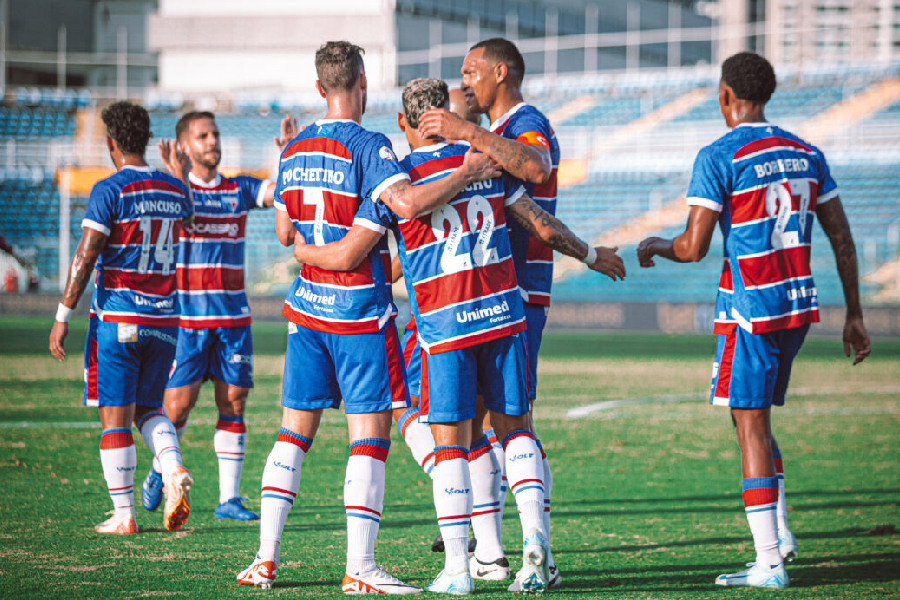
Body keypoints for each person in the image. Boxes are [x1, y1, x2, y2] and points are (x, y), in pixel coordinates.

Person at [292, 77, 624, 595]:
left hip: (444, 326)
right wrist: (591, 254)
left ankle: (457, 569)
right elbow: (543, 226)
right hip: (503, 316)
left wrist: (303, 252)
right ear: (445, 115)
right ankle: (534, 545)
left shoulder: (397, 180)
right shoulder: (487, 164)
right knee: (515, 431)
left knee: (451, 445)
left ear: (402, 122)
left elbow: (359, 252)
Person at [236, 42, 501, 594]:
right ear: (362, 82)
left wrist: (306, 251)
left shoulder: (293, 149)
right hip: (358, 313)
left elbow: (285, 233)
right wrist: (465, 172)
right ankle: (360, 568)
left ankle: (264, 559)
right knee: (370, 440)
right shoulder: (370, 145)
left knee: (292, 434)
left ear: (319, 88)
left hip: (306, 312)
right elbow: (401, 208)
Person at [637, 52, 871, 589]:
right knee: (755, 421)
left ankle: (768, 562)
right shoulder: (807, 152)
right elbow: (841, 236)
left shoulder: (720, 154)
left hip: (751, 309)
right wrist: (855, 313)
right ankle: (780, 537)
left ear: (725, 95)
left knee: (749, 425)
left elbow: (693, 247)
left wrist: (656, 245)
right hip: (798, 307)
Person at [417, 37, 579, 589]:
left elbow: (533, 168)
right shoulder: (492, 137)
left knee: (493, 426)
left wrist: (464, 131)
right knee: (497, 426)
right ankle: (501, 550)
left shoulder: (524, 123)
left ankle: (501, 551)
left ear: (500, 72)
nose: (464, 81)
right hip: (497, 297)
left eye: (471, 71)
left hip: (513, 294)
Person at [140, 111, 296, 521]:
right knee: (178, 409)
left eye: (215, 134)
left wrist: (288, 156)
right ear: (184, 146)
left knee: (234, 403)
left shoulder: (237, 188)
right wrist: (177, 179)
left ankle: (229, 499)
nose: (212, 141)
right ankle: (159, 468)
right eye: (203, 136)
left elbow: (280, 193)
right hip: (187, 322)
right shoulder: (171, 191)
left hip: (233, 320)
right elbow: (181, 218)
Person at [48, 101, 195, 535]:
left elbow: (86, 254)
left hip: (118, 318)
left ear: (110, 142)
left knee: (115, 417)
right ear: (146, 139)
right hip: (165, 320)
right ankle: (172, 467)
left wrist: (63, 314)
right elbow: (189, 216)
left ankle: (124, 514)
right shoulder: (173, 190)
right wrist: (180, 174)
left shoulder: (109, 190)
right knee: (149, 408)